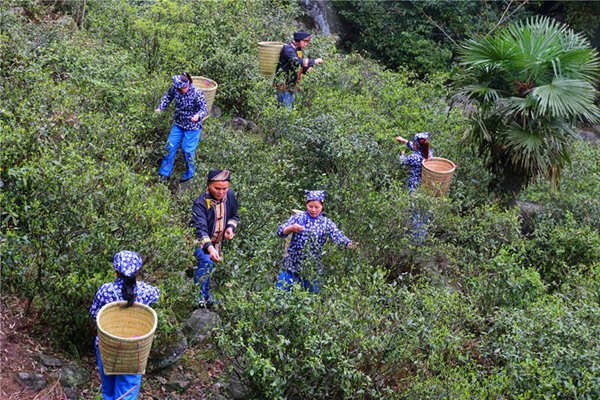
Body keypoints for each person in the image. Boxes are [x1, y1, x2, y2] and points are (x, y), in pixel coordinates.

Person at [90, 250, 160, 400]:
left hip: (107, 347)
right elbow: (157, 293)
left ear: (115, 271)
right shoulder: (145, 291)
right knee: (127, 392)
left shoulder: (105, 290)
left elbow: (94, 314)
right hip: (134, 350)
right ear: (137, 270)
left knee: (108, 390)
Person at [276, 190, 358, 294]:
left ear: (322, 206)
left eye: (317, 207)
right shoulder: (299, 218)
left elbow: (337, 235)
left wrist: (349, 244)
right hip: (291, 267)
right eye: (310, 206)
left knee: (310, 302)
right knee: (280, 298)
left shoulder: (325, 223)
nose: (313, 210)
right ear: (306, 204)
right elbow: (280, 231)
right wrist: (291, 228)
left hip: (312, 271)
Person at [190, 170, 239, 308]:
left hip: (216, 241)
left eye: (225, 188)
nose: (221, 192)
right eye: (217, 188)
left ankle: (205, 297)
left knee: (209, 266)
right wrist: (210, 248)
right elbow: (200, 229)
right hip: (198, 240)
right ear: (209, 185)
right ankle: (197, 297)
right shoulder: (200, 203)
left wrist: (230, 227)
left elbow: (234, 215)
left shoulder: (230, 195)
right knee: (206, 261)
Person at [155, 73, 208, 183]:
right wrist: (160, 108)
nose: (177, 90)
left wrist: (198, 115)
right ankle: (164, 173)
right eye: (177, 88)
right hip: (178, 125)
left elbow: (204, 109)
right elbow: (167, 97)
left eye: (180, 88)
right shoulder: (175, 89)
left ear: (187, 85)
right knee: (170, 147)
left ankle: (190, 173)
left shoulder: (197, 93)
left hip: (193, 127)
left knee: (187, 151)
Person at [396, 132, 434, 245]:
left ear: (416, 145)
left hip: (415, 188)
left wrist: (402, 153)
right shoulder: (429, 153)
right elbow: (415, 146)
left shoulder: (414, 157)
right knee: (424, 213)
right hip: (426, 188)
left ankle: (413, 241)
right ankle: (420, 239)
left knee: (414, 212)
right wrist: (404, 140)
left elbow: (402, 161)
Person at [273, 30, 324, 110]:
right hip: (283, 85)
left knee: (287, 111)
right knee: (284, 111)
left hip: (291, 85)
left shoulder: (297, 50)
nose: (306, 44)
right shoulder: (288, 49)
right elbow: (296, 61)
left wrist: (306, 69)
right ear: (299, 40)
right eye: (305, 42)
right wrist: (314, 61)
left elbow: (295, 65)